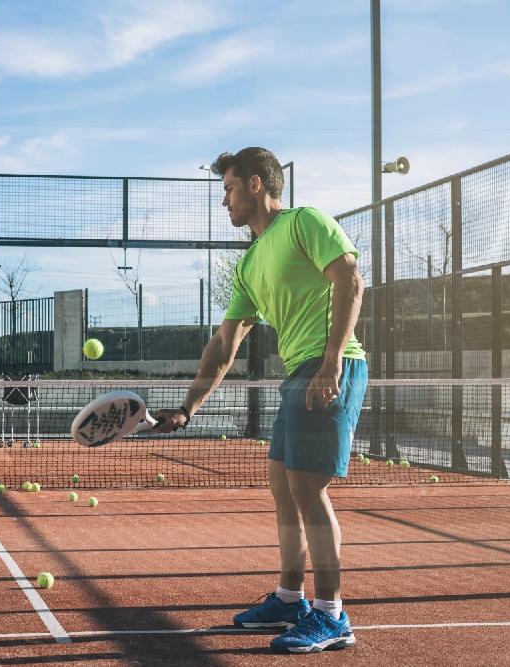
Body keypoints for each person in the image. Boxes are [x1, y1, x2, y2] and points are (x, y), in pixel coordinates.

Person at [155, 147, 367, 654]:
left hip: (329, 364)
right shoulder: (249, 262)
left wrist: (332, 359)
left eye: (228, 189)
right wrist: (188, 408)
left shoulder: (304, 222)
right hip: (297, 372)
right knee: (281, 485)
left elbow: (350, 281)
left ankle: (331, 614)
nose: (223, 201)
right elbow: (225, 345)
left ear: (255, 185)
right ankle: (290, 598)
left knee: (308, 489)